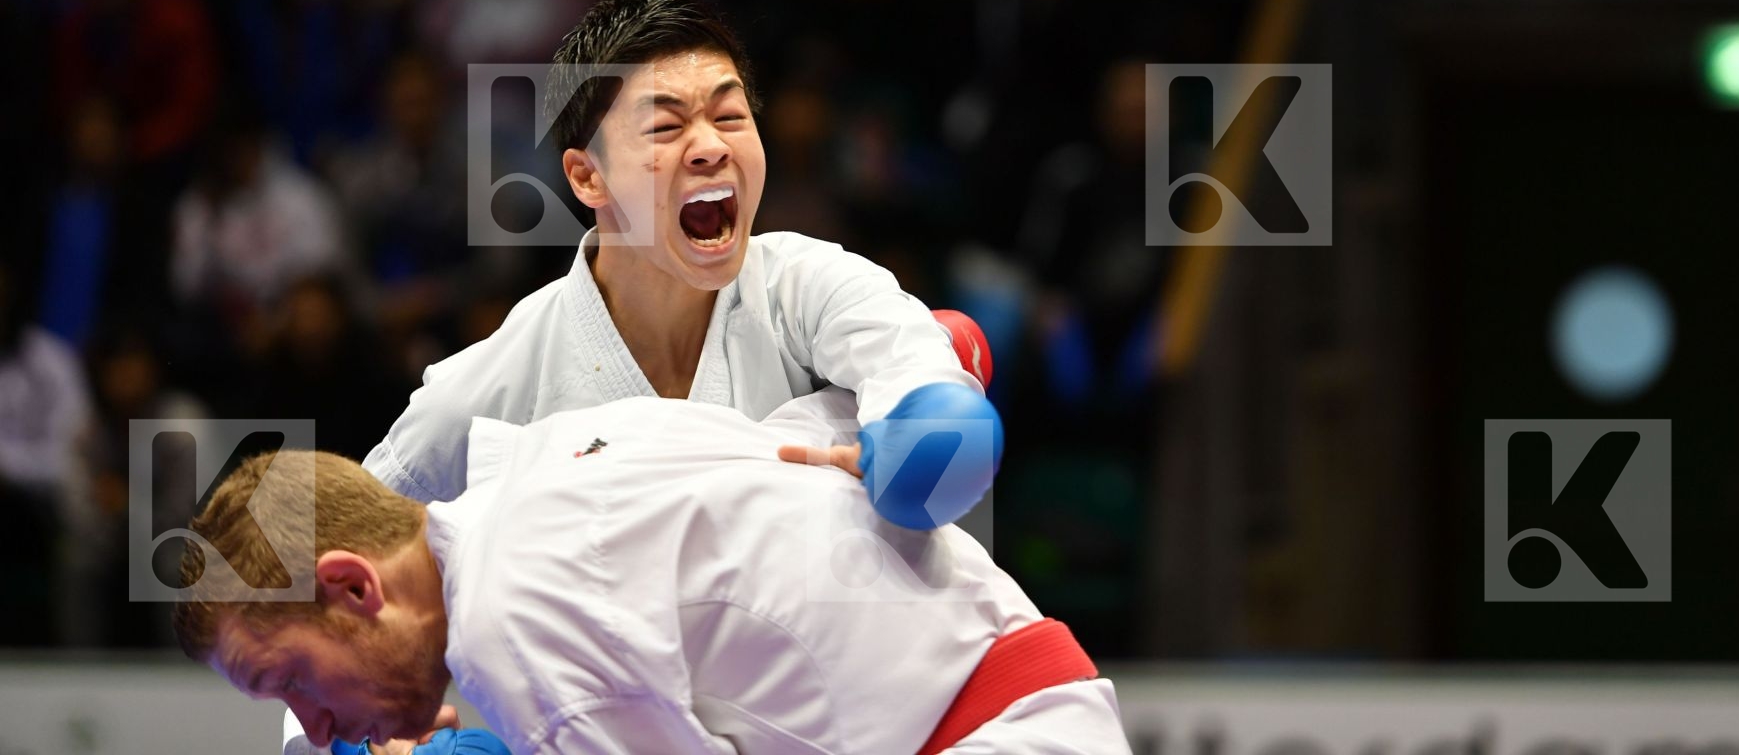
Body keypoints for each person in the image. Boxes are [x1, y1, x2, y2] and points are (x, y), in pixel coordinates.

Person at [275, 0, 1000, 753]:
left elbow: (938, 407)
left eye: (730, 116)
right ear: (588, 178)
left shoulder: (809, 286)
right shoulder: (485, 392)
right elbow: (328, 580)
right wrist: (359, 738)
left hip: (868, 715)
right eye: (666, 126)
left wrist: (919, 449)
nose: (710, 145)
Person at [174, 388, 1127, 754]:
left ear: (353, 587)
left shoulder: (509, 619)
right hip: (1017, 692)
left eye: (289, 681)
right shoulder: (554, 450)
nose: (315, 727)